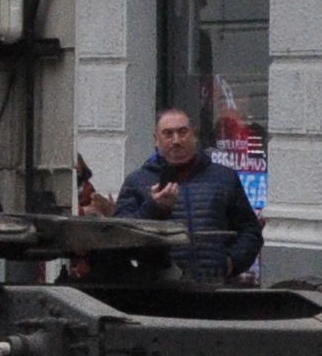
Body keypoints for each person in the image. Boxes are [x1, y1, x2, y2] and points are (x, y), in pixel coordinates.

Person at [111, 106, 263, 282]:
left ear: (194, 135)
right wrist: (154, 208)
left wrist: (232, 262)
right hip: (158, 291)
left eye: (182, 132)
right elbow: (119, 238)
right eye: (168, 134)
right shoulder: (137, 182)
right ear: (156, 139)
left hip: (213, 289)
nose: (176, 140)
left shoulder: (224, 178)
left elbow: (250, 231)